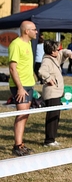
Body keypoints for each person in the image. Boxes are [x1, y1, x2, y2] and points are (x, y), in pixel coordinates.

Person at [38, 40, 72, 146]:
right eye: (56, 49)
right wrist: (49, 79)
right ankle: (49, 140)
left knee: (56, 116)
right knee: (52, 116)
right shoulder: (47, 61)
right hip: (51, 93)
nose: (58, 51)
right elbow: (42, 71)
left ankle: (52, 138)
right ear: (51, 51)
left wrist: (70, 54)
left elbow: (64, 52)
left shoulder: (55, 57)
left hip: (57, 92)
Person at [8, 21, 38, 156]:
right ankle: (17, 146)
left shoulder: (29, 43)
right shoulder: (16, 44)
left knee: (25, 114)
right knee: (21, 114)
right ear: (27, 31)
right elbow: (12, 68)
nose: (36, 32)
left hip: (29, 84)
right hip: (20, 85)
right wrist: (20, 87)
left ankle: (21, 143)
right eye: (34, 29)